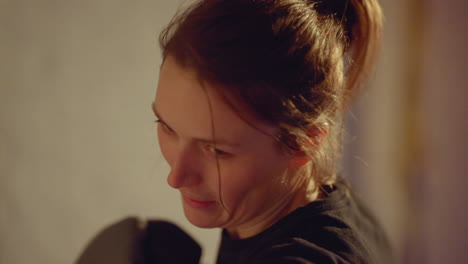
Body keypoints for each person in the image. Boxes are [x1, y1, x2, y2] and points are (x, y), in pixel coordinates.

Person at [151, 0, 393, 263]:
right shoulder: (337, 202)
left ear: (304, 143)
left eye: (216, 150)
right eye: (166, 127)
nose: (176, 177)